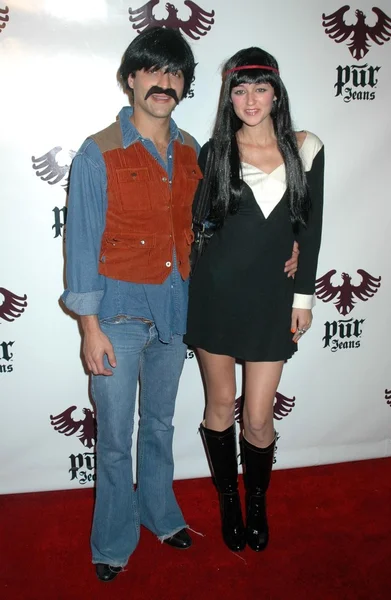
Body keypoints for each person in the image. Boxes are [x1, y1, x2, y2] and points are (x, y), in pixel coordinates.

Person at [61, 27, 202, 582]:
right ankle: (114, 540)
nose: (164, 83)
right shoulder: (99, 153)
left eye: (174, 73)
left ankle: (160, 514)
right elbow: (81, 245)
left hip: (174, 316)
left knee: (161, 426)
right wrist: (88, 329)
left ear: (183, 84)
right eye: (153, 71)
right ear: (131, 79)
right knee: (116, 438)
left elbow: (203, 231)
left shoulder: (192, 151)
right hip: (116, 319)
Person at [184, 47, 324, 553]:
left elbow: (310, 230)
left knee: (259, 417)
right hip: (215, 296)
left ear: (276, 93)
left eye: (260, 88)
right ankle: (228, 499)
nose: (250, 99)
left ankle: (257, 498)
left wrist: (302, 294)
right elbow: (200, 226)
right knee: (220, 405)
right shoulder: (213, 152)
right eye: (240, 89)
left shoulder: (305, 148)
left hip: (272, 298)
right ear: (228, 96)